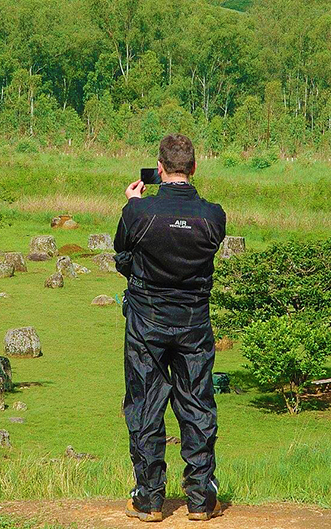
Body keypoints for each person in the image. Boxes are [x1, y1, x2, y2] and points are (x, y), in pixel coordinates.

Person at [114, 133, 226, 522]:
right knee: (197, 404)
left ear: (159, 169)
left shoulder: (139, 212)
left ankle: (148, 499)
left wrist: (133, 203)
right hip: (194, 321)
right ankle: (200, 498)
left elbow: (122, 252)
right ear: (193, 167)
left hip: (147, 320)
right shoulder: (213, 216)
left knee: (145, 404)